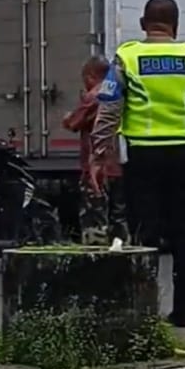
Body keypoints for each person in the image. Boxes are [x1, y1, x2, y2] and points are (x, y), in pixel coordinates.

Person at [91, 0, 185, 329]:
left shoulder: (127, 57)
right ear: (176, 25)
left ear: (144, 24)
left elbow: (109, 110)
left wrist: (100, 154)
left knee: (143, 233)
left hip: (143, 157)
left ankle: (143, 313)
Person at [63, 55, 129, 246]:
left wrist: (68, 117)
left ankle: (96, 258)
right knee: (119, 217)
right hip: (118, 165)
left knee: (95, 217)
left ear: (90, 76)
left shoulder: (95, 96)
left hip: (96, 168)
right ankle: (123, 254)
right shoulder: (119, 93)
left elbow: (73, 122)